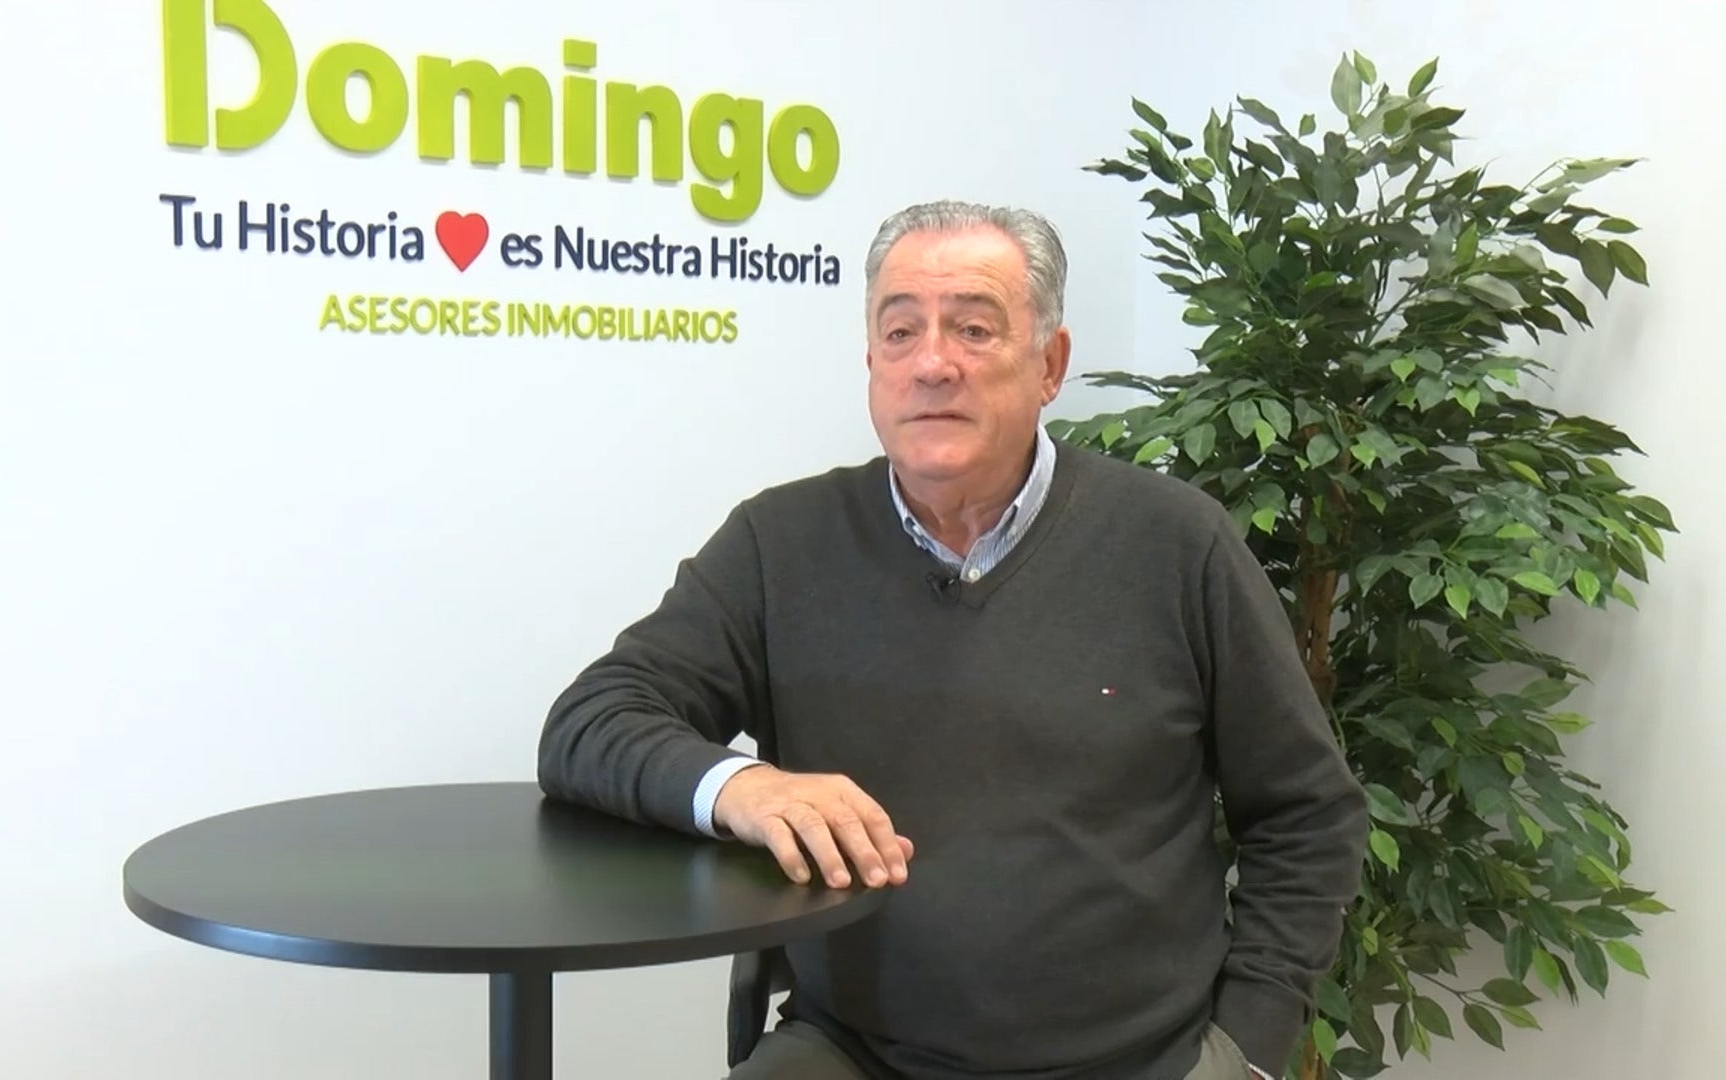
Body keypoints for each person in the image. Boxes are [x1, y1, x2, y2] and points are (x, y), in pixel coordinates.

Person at [537, 200, 1370, 1080]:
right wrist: (741, 785)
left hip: (1138, 1058)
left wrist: (1246, 1051)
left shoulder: (1176, 544)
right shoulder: (779, 543)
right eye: (901, 332)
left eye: (974, 329)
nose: (932, 364)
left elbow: (1306, 811)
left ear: (1049, 364)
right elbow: (592, 721)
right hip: (857, 1051)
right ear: (872, 363)